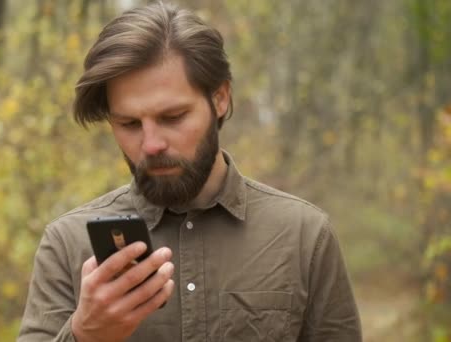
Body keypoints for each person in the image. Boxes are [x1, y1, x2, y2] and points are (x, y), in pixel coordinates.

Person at [18, 2, 362, 341]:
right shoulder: (68, 244)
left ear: (221, 98)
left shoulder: (303, 236)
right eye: (129, 124)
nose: (151, 145)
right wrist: (86, 335)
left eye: (172, 117)